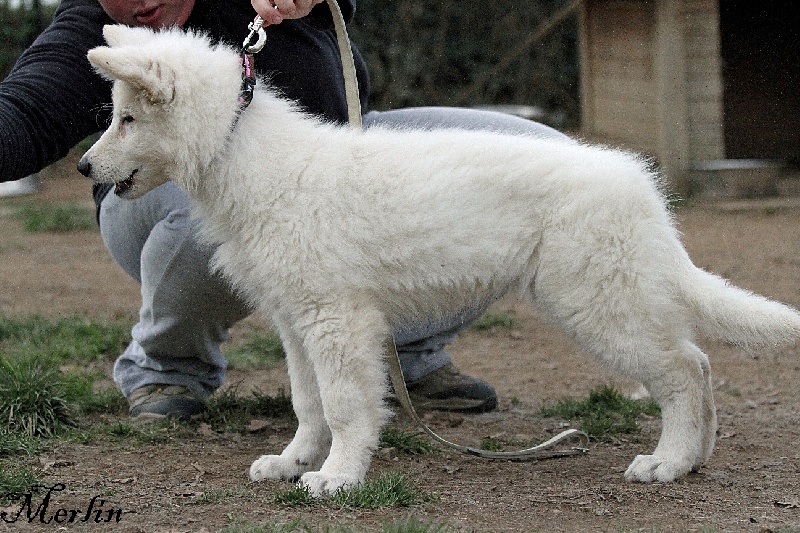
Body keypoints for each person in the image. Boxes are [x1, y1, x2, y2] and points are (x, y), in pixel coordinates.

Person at [0, 0, 568, 420]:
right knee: (227, 213)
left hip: (340, 159)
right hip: (157, 203)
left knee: (545, 170)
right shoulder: (94, 32)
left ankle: (402, 349)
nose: (140, 0)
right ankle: (168, 366)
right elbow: (21, 115)